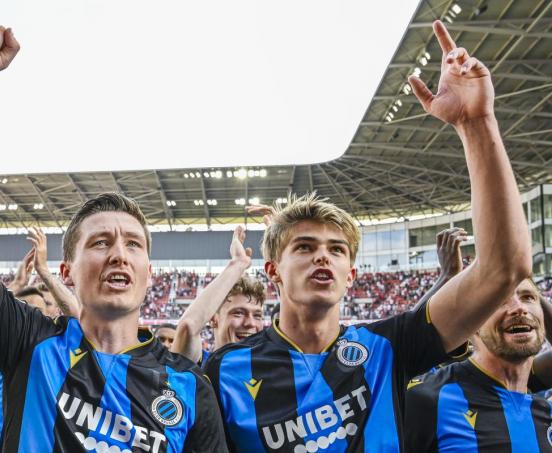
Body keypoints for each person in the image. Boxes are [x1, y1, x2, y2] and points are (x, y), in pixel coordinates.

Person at [0, 21, 227, 452]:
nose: (119, 255)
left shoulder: (189, 386)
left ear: (149, 272)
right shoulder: (31, 342)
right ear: (66, 271)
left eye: (133, 244)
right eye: (101, 242)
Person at [204, 21, 531, 452]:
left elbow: (504, 269)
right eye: (304, 247)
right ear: (273, 271)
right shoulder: (222, 370)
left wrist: (476, 124)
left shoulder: (388, 347)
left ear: (352, 274)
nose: (323, 257)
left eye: (336, 249)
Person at [405, 278, 552, 451]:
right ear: (472, 322)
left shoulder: (544, 412)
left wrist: (516, 273)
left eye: (528, 297)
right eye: (499, 300)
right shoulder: (426, 399)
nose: (519, 308)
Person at [172, 226, 263, 364]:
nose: (250, 323)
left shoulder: (271, 369)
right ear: (214, 319)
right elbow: (188, 327)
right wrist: (238, 263)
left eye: (257, 316)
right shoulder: (201, 365)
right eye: (238, 313)